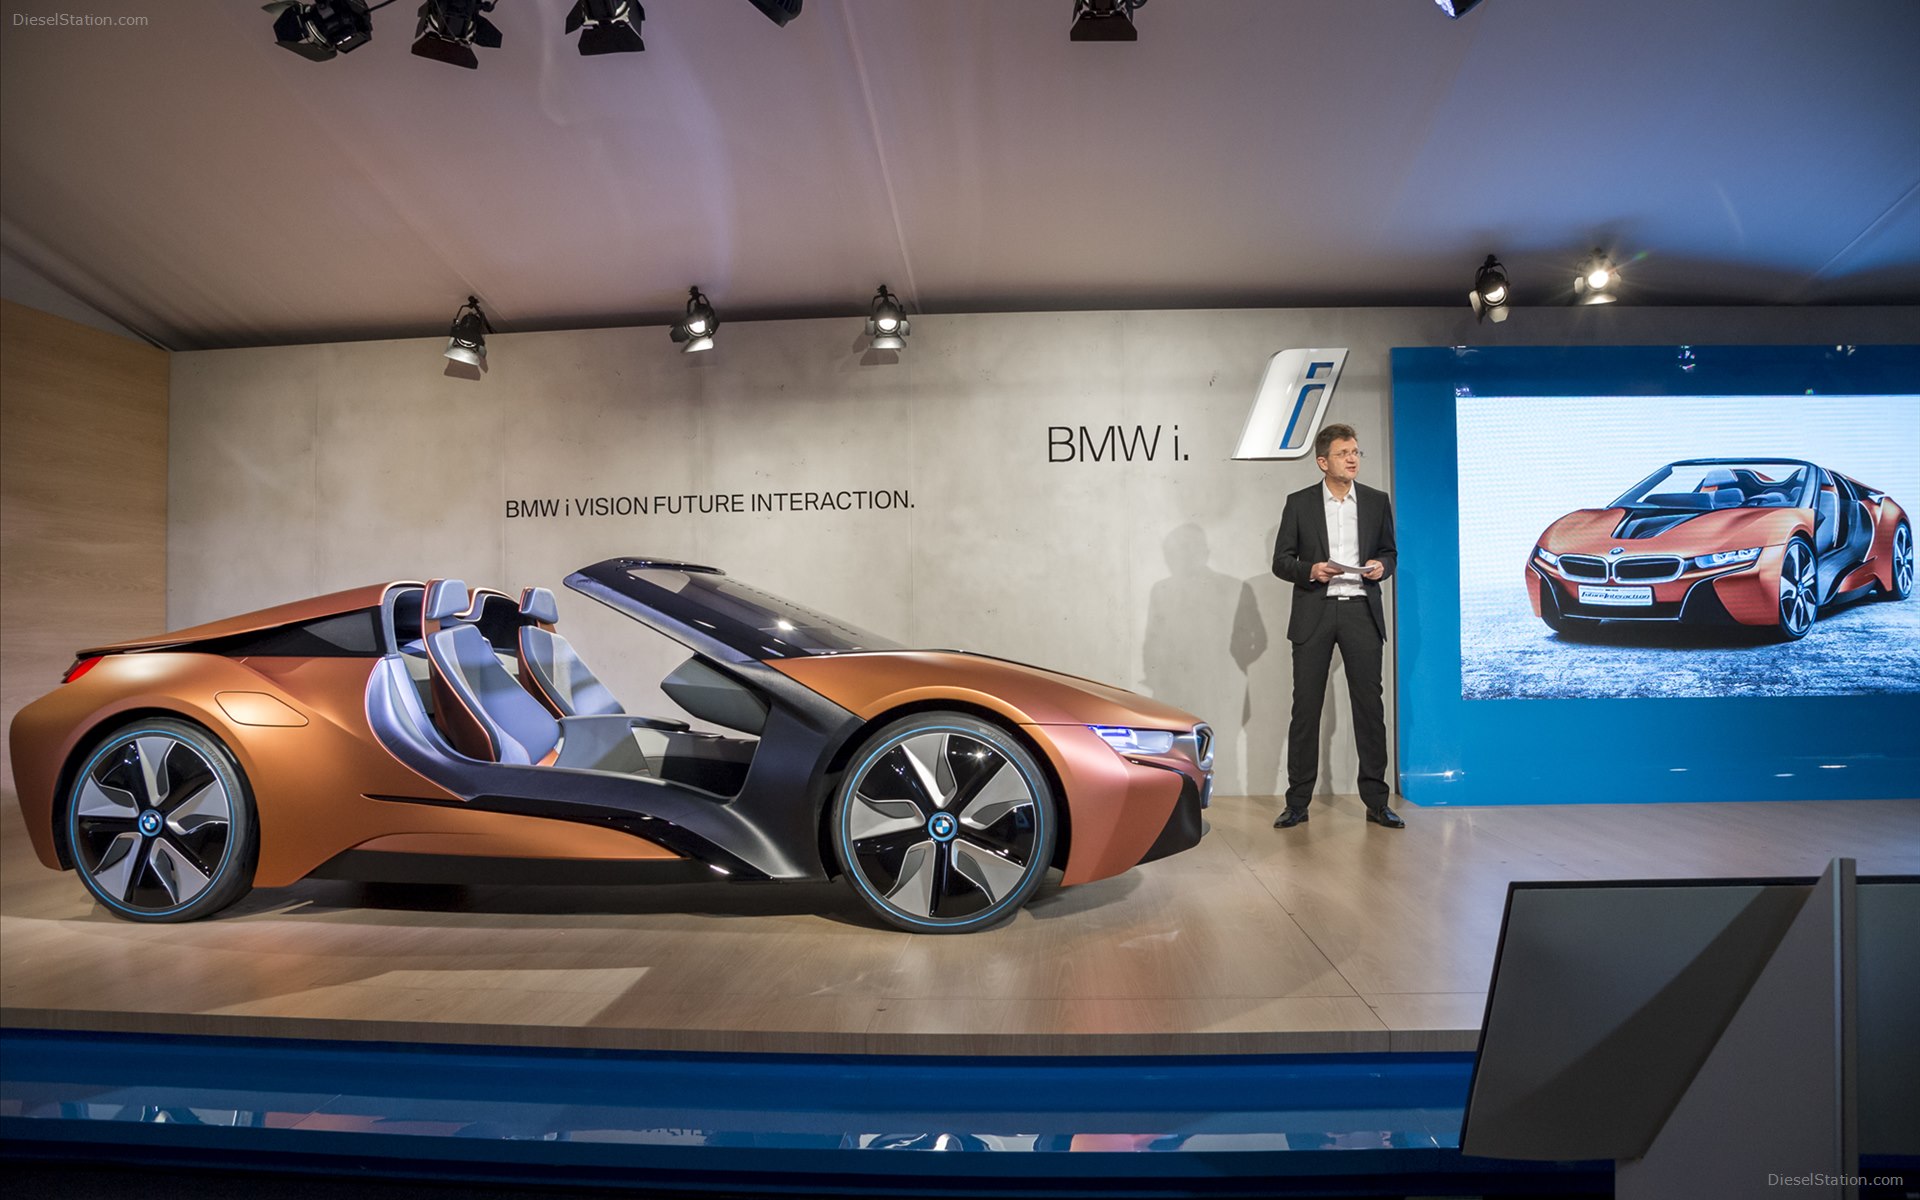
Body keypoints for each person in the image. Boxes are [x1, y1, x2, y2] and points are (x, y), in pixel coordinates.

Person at [1270, 423, 1402, 829]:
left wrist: (1381, 566)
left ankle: (1377, 803)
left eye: (1356, 452)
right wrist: (1312, 570)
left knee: (1369, 709)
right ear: (1323, 461)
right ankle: (1297, 803)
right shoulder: (1300, 503)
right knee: (1306, 709)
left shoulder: (1377, 501)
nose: (1352, 459)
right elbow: (1281, 561)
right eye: (1344, 453)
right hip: (1316, 611)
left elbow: (1390, 552)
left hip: (1362, 611)